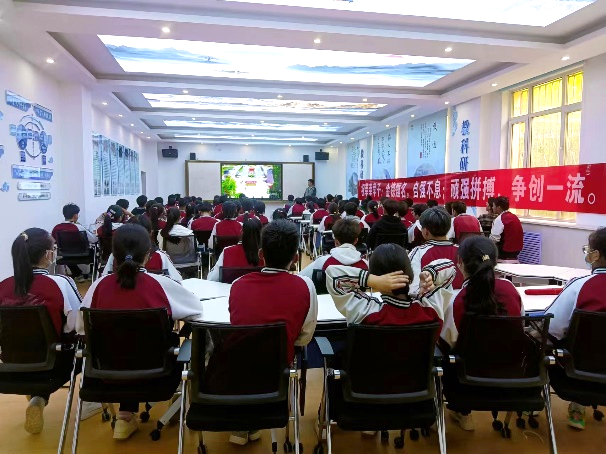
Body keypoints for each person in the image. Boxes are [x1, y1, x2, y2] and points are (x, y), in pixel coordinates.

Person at [79, 224, 202, 440]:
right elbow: (195, 310)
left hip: (106, 376)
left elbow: (81, 328)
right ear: (148, 254)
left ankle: (125, 417)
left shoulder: (97, 287)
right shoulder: (161, 285)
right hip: (160, 375)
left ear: (114, 255)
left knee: (121, 343)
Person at [228, 220, 318, 446]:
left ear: (261, 254)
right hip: (280, 366)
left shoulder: (238, 284)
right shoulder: (306, 286)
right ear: (295, 258)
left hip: (237, 368)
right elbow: (304, 337)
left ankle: (242, 422)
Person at [0, 229, 83, 434]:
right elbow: (79, 325)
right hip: (56, 365)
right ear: (48, 254)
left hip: (11, 366)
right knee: (83, 346)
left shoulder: (3, 286)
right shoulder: (61, 283)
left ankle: (38, 397)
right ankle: (98, 406)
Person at [438, 236, 523, 431]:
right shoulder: (511, 290)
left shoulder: (456, 300)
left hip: (466, 382)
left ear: (460, 262)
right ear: (495, 261)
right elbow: (520, 326)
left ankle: (462, 413)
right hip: (512, 378)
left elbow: (448, 342)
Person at [546, 228, 606, 430]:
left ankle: (534, 406)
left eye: (588, 250)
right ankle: (578, 408)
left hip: (573, 376)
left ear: (596, 255)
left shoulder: (579, 287)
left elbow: (550, 328)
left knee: (542, 344)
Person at [325, 243, 454, 326]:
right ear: (410, 272)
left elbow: (333, 274)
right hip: (420, 363)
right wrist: (430, 273)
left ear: (374, 274)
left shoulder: (365, 311)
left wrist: (372, 280)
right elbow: (450, 267)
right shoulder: (430, 308)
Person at [102, 215, 182, 281]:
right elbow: (177, 280)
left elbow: (104, 278)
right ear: (150, 233)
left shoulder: (115, 255)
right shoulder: (160, 256)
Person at [408, 207, 464, 295]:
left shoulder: (418, 252)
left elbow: (414, 289)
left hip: (431, 302)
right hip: (461, 301)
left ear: (426, 231)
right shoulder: (463, 250)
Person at [299, 219, 368, 280]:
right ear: (356, 240)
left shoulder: (322, 262)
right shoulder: (365, 264)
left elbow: (301, 278)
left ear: (336, 241)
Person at [52, 203, 98, 283]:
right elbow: (94, 240)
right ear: (75, 216)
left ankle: (77, 274)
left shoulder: (56, 228)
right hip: (83, 254)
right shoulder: (78, 227)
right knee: (96, 251)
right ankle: (91, 274)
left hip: (65, 255)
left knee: (66, 251)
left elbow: (53, 241)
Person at [490, 196, 524, 261]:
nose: (492, 207)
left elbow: (494, 239)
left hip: (504, 252)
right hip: (517, 251)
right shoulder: (514, 217)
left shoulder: (500, 219)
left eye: (493, 206)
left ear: (498, 207)